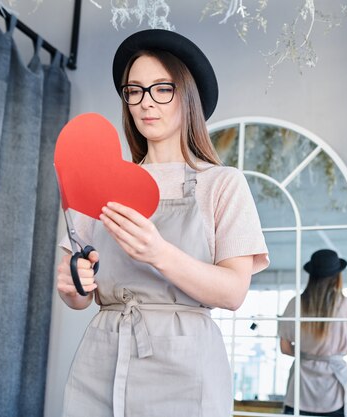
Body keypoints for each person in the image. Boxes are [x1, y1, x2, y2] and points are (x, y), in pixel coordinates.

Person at [55, 29, 269, 417]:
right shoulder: (99, 181)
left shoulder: (222, 184)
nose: (145, 103)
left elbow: (233, 292)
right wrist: (73, 286)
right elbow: (80, 295)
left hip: (186, 370)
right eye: (134, 90)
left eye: (161, 89)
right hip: (100, 361)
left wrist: (158, 253)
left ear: (187, 95)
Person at [278, 249, 347, 417]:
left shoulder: (295, 304)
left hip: (300, 389)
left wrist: (307, 355)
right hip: (334, 391)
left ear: (312, 275)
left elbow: (285, 348)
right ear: (337, 276)